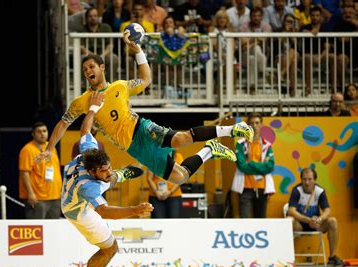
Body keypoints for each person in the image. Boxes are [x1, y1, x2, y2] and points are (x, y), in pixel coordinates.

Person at [39, 34, 254, 189]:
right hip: (132, 148)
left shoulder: (120, 87)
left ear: (102, 68)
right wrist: (49, 149)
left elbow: (146, 79)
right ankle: (210, 150)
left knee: (180, 140)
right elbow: (63, 124)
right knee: (179, 177)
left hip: (141, 129)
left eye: (91, 67)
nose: (88, 72)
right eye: (85, 70)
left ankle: (233, 129)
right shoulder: (82, 101)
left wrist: (138, 50)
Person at [64, 100, 153, 267]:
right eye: (104, 171)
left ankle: (121, 175)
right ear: (91, 170)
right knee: (110, 248)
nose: (107, 171)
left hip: (73, 195)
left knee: (106, 180)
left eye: (109, 168)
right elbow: (105, 212)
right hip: (78, 211)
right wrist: (135, 210)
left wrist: (93, 109)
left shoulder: (87, 152)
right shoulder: (89, 187)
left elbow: (85, 130)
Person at [286, 167, 345, 266]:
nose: (307, 182)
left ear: (315, 180)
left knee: (332, 221)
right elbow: (291, 211)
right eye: (304, 179)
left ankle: (332, 257)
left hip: (316, 224)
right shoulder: (296, 190)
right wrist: (308, 220)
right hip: (300, 224)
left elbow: (327, 210)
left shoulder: (320, 191)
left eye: (309, 179)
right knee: (289, 220)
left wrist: (319, 219)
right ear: (301, 180)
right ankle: (286, 258)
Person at [231, 113, 275, 218]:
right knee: (245, 222)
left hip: (262, 189)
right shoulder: (240, 144)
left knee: (260, 223)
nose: (254, 126)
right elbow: (241, 166)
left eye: (257, 123)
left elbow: (270, 166)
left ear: (261, 125)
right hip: (245, 189)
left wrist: (250, 163)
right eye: (251, 123)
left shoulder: (267, 145)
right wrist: (261, 167)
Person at [19, 122, 62, 219]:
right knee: (38, 229)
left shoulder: (51, 147)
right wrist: (30, 193)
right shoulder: (28, 150)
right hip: (38, 197)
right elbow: (24, 173)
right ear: (33, 134)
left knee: (53, 228)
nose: (42, 134)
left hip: (55, 196)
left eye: (44, 131)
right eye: (39, 132)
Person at [147, 150, 183, 218]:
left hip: (174, 196)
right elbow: (149, 178)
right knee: (158, 223)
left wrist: (170, 191)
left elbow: (181, 178)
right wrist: (156, 192)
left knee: (173, 223)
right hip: (156, 196)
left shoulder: (178, 157)